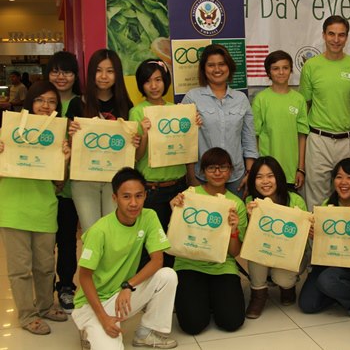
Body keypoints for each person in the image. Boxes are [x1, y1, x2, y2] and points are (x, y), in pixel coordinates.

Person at [72, 167, 178, 349]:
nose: (134, 203)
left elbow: (157, 261)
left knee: (167, 275)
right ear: (115, 198)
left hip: (121, 294)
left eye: (139, 196)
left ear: (145, 195)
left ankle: (145, 333)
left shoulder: (149, 216)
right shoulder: (99, 231)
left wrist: (128, 286)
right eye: (126, 196)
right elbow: (84, 277)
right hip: (93, 302)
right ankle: (89, 329)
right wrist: (104, 318)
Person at [0, 81, 70, 335]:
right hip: (13, 208)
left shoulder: (57, 134)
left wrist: (66, 159)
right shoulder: (10, 130)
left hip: (44, 207)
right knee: (20, 269)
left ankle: (44, 306)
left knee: (44, 264)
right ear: (30, 101)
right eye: (40, 100)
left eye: (52, 102)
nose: (45, 106)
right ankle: (27, 315)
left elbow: (60, 184)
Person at [171, 147, 247, 334]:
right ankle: (204, 298)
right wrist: (175, 211)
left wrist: (234, 230)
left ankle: (211, 297)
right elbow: (176, 235)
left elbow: (234, 252)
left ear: (230, 171)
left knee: (232, 322)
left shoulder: (235, 204)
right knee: (193, 326)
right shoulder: (189, 195)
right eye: (212, 168)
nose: (218, 172)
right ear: (203, 171)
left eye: (223, 167)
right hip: (189, 263)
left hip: (221, 265)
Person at [299, 15, 350, 210]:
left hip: (347, 141)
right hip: (319, 140)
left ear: (347, 37)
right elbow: (306, 105)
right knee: (317, 199)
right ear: (323, 35)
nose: (336, 40)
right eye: (332, 34)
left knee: (347, 196)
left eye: (341, 35)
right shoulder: (311, 66)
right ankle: (315, 240)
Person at [130, 59, 190, 268]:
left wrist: (193, 126)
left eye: (158, 80)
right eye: (147, 81)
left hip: (178, 186)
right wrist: (144, 134)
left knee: (175, 241)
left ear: (165, 81)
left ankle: (172, 288)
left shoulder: (178, 110)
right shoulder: (138, 112)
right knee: (152, 244)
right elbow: (136, 156)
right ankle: (149, 290)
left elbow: (188, 149)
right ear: (141, 85)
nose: (154, 86)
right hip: (152, 189)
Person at [67, 49, 135, 232]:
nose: (104, 76)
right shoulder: (77, 103)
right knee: (91, 232)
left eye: (110, 71)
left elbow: (131, 148)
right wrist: (71, 134)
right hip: (84, 179)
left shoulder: (126, 106)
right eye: (98, 70)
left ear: (117, 74)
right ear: (91, 73)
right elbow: (68, 147)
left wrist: (134, 141)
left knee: (113, 232)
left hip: (115, 178)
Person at [299, 158, 350, 321]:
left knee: (327, 279)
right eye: (339, 177)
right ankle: (340, 292)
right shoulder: (327, 205)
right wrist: (315, 234)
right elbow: (322, 240)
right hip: (327, 262)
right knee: (307, 305)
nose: (343, 182)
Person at [181, 44, 258, 197]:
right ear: (204, 69)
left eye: (221, 64)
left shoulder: (241, 99)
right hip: (203, 177)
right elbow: (185, 141)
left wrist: (250, 173)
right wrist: (190, 175)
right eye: (211, 65)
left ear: (229, 67)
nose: (217, 69)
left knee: (235, 219)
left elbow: (249, 140)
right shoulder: (192, 97)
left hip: (236, 177)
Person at [244, 156, 308, 319]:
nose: (265, 181)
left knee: (283, 279)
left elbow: (302, 239)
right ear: (253, 181)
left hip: (289, 252)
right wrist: (251, 220)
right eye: (259, 177)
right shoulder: (251, 201)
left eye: (270, 176)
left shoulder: (295, 200)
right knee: (254, 249)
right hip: (263, 251)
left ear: (278, 177)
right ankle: (258, 294)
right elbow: (246, 243)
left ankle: (287, 287)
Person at [45, 51, 82, 313]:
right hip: (43, 187)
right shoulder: (41, 103)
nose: (61, 77)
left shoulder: (83, 103)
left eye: (67, 71)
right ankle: (45, 286)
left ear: (75, 75)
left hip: (71, 188)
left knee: (68, 239)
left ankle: (67, 286)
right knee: (45, 242)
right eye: (56, 71)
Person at [252, 50, 309, 190]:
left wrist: (300, 168)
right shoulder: (261, 99)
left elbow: (302, 136)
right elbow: (255, 137)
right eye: (276, 68)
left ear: (291, 70)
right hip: (267, 171)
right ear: (268, 72)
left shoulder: (299, 99)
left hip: (291, 170)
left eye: (285, 68)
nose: (281, 72)